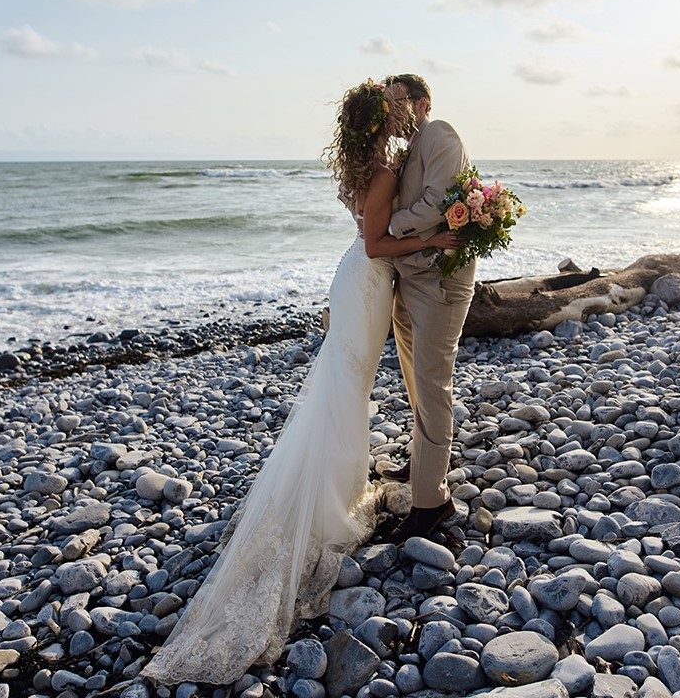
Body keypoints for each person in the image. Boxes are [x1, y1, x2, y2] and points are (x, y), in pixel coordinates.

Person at [140, 80, 461, 686]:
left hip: (360, 282)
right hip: (368, 280)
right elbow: (376, 241)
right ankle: (329, 499)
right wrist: (436, 238)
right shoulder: (387, 170)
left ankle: (339, 481)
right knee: (348, 389)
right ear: (380, 120)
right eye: (391, 108)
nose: (400, 114)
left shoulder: (370, 164)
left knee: (347, 387)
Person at [378, 74, 477, 544]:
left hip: (440, 278)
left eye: (397, 102)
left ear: (421, 104)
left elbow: (438, 203)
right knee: (413, 374)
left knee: (434, 381)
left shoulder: (441, 135)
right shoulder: (404, 149)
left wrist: (390, 225)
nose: (391, 111)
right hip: (408, 274)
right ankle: (423, 461)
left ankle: (431, 501)